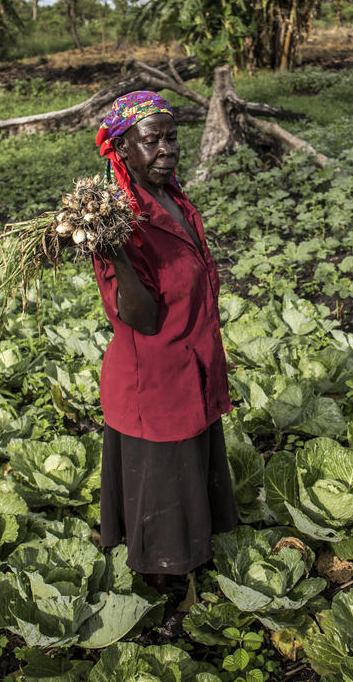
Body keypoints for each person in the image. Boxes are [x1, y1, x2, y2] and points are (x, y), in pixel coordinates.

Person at [91, 90, 238, 588]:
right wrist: (116, 255)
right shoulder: (120, 222)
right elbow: (141, 318)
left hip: (189, 365)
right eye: (152, 141)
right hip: (153, 380)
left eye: (172, 138)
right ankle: (164, 590)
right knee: (163, 490)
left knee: (190, 475)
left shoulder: (171, 197)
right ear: (123, 148)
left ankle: (190, 566)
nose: (167, 150)